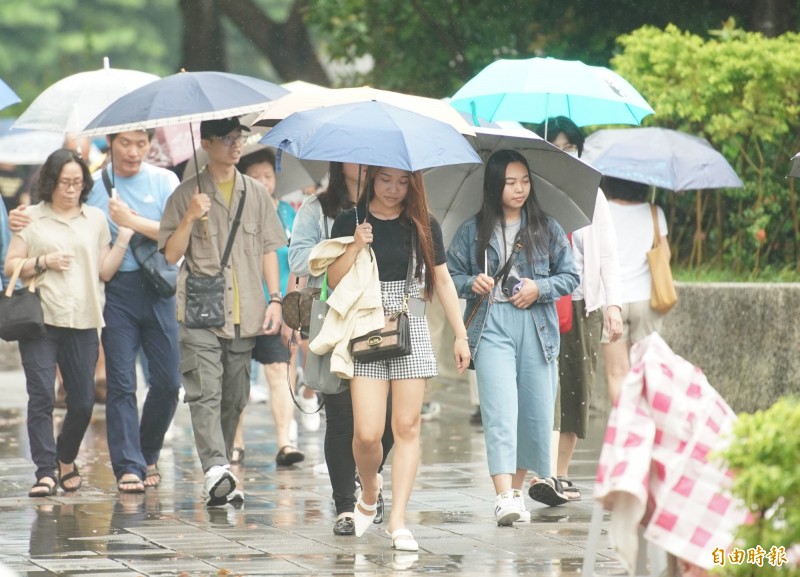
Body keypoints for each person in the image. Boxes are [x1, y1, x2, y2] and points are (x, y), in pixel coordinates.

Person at [325, 165, 470, 550]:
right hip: (365, 329)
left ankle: (398, 520)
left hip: (410, 325)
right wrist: (355, 243)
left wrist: (460, 334)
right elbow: (333, 280)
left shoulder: (423, 224)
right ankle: (369, 492)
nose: (394, 189)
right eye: (386, 179)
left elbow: (441, 279)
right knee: (367, 433)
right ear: (372, 177)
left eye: (403, 181)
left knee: (407, 427)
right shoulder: (350, 219)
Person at [446, 150, 579, 525]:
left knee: (535, 414)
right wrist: (472, 282)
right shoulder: (473, 230)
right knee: (500, 410)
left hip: (536, 326)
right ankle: (504, 496)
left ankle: (518, 492)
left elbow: (570, 276)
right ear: (494, 186)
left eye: (524, 180)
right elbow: (449, 274)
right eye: (510, 182)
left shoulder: (546, 227)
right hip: (492, 326)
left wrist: (540, 287)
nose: (519, 189)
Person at [159, 117, 286, 507]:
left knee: (235, 397)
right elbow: (170, 254)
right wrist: (188, 217)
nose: (236, 146)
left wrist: (276, 298)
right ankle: (216, 466)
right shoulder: (185, 195)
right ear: (207, 143)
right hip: (200, 311)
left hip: (246, 310)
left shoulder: (256, 193)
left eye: (239, 138)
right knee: (205, 392)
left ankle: (220, 473)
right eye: (228, 139)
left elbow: (268, 247)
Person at [3, 149, 132, 497]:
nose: (72, 188)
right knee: (42, 395)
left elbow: (104, 271)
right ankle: (45, 472)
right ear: (50, 182)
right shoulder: (29, 217)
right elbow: (10, 265)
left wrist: (123, 239)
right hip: (41, 320)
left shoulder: (95, 219)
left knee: (83, 402)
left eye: (78, 182)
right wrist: (44, 260)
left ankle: (66, 457)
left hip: (85, 319)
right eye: (65, 182)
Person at [289, 162, 396, 536]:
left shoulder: (389, 205)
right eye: (355, 157)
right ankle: (345, 506)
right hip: (335, 316)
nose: (364, 163)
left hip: (381, 322)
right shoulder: (317, 209)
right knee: (340, 416)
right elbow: (298, 258)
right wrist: (344, 245)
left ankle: (369, 482)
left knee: (387, 421)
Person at [535, 116, 624, 501]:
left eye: (570, 147)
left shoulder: (593, 194)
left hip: (583, 305)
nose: (565, 154)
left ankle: (560, 473)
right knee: (541, 388)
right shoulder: (533, 191)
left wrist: (614, 304)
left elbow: (608, 254)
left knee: (575, 389)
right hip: (539, 303)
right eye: (556, 147)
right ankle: (541, 472)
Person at [232, 147, 304, 467]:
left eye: (268, 176)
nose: (264, 182)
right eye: (256, 176)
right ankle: (235, 442)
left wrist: (293, 307)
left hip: (280, 307)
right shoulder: (236, 212)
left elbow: (299, 261)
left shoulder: (289, 212)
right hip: (244, 304)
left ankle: (284, 442)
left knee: (280, 371)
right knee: (237, 376)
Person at [600, 175, 670, 403]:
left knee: (617, 372)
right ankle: (646, 429)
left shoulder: (601, 209)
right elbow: (665, 256)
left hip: (610, 302)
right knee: (648, 370)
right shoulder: (654, 212)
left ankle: (624, 432)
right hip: (645, 301)